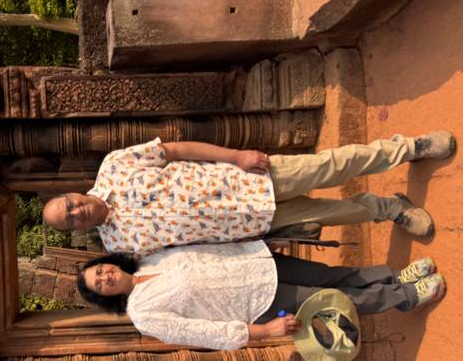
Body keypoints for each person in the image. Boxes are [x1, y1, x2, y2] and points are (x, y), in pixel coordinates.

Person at [42, 132, 456, 255]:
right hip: (245, 223)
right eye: (70, 220)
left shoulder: (115, 165)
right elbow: (184, 254)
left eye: (69, 205)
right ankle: (390, 209)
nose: (77, 212)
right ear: (74, 230)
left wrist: (237, 155)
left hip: (246, 178)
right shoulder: (119, 246)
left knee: (332, 165)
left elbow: (178, 149)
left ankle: (410, 148)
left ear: (72, 193)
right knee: (332, 214)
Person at [75, 242, 446, 350]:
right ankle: (406, 296)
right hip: (256, 302)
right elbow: (201, 334)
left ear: (107, 262)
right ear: (104, 297)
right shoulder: (143, 315)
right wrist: (264, 333)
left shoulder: (150, 258)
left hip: (258, 262)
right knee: (334, 300)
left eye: (101, 270)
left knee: (333, 275)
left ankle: (393, 277)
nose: (106, 276)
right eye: (100, 284)